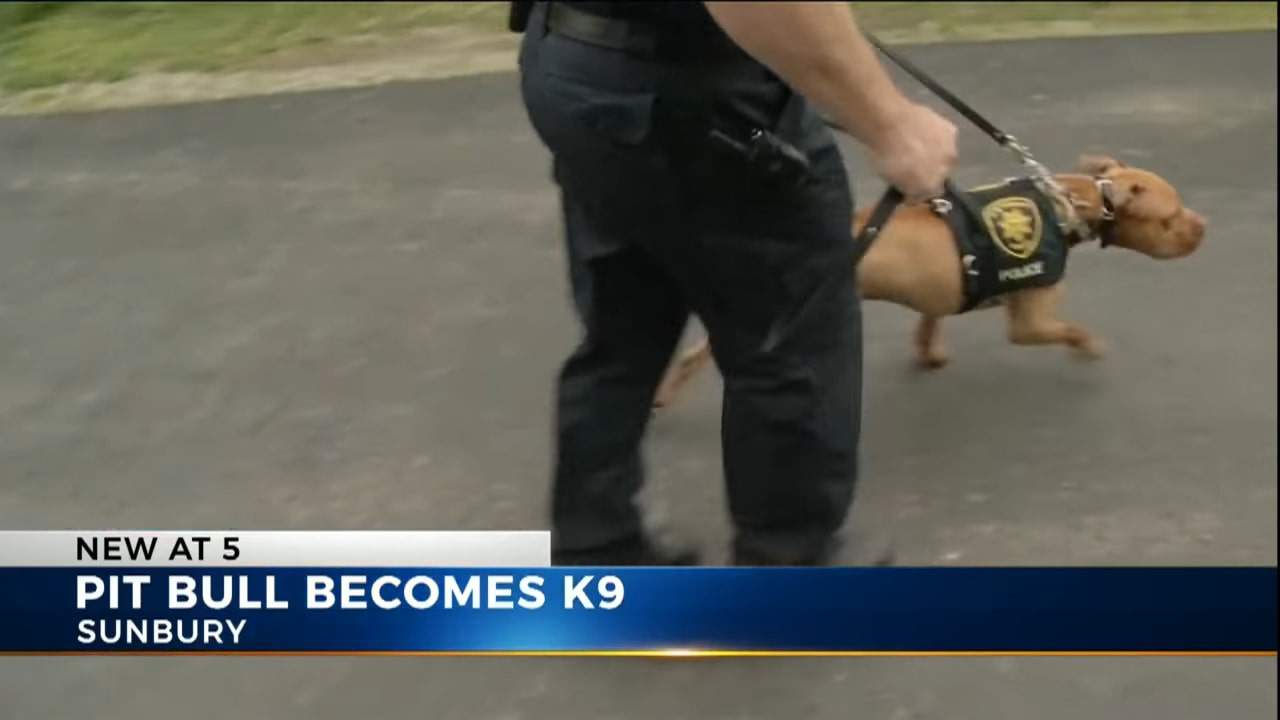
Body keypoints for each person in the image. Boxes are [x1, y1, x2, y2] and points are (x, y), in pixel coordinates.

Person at [515, 1, 957, 565]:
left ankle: (595, 541)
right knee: (791, 343)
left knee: (624, 319)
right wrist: (893, 126)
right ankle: (788, 571)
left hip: (578, 62)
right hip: (698, 98)